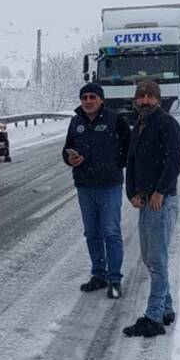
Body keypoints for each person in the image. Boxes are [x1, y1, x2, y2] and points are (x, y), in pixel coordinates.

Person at [122, 79, 180, 338]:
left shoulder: (167, 124)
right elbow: (132, 161)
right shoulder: (139, 125)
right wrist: (131, 192)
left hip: (162, 200)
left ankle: (154, 317)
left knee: (157, 261)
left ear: (158, 99)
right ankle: (166, 308)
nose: (145, 101)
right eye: (141, 96)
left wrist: (160, 191)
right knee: (150, 258)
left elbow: (175, 161)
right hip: (146, 201)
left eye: (150, 97)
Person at [62, 82, 132, 299]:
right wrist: (70, 158)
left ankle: (114, 279)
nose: (88, 101)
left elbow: (128, 148)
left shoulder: (115, 120)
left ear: (101, 99)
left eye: (93, 97)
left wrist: (113, 165)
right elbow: (66, 149)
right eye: (85, 97)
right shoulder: (76, 122)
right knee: (92, 233)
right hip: (84, 186)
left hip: (109, 185)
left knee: (111, 232)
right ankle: (99, 275)